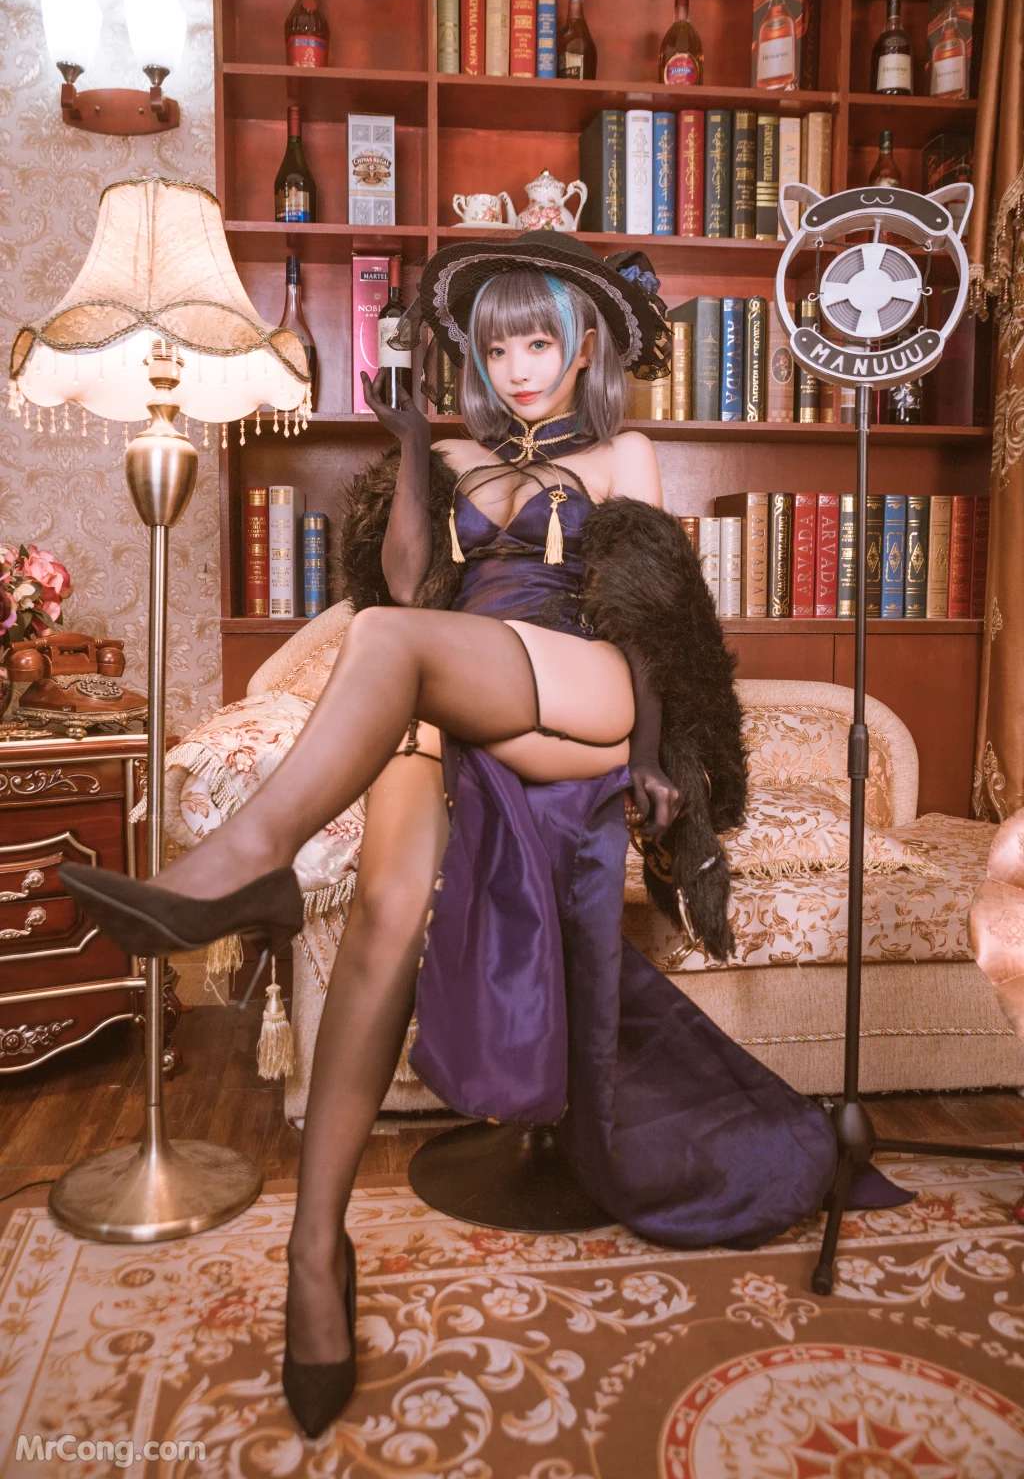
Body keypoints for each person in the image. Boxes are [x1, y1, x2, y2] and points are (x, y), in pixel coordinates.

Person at [60, 233, 914, 1442]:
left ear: (583, 347)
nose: (518, 368)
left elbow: (655, 620)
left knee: (389, 651)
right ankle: (315, 1256)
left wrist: (656, 761)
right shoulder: (454, 453)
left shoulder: (621, 454)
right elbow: (406, 588)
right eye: (498, 346)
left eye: (539, 343)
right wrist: (413, 447)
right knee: (383, 909)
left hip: (583, 690)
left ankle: (239, 872)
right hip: (455, 684)